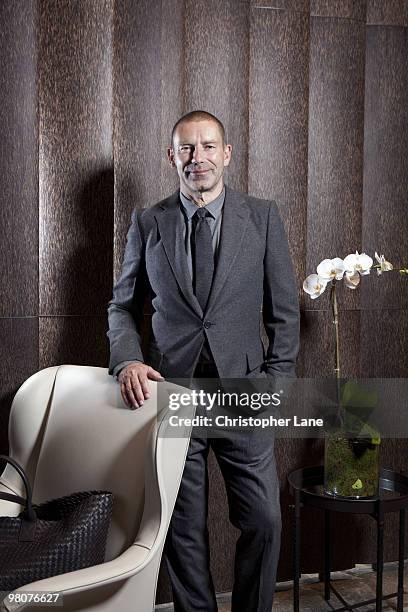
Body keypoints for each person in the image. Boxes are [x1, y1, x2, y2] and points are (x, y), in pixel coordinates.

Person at [107, 110, 300, 612]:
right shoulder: (148, 222)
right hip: (172, 394)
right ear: (171, 156)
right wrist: (126, 359)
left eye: (209, 146)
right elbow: (123, 306)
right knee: (182, 530)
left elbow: (284, 312)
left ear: (227, 153)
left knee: (264, 520)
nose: (199, 159)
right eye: (187, 149)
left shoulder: (262, 218)